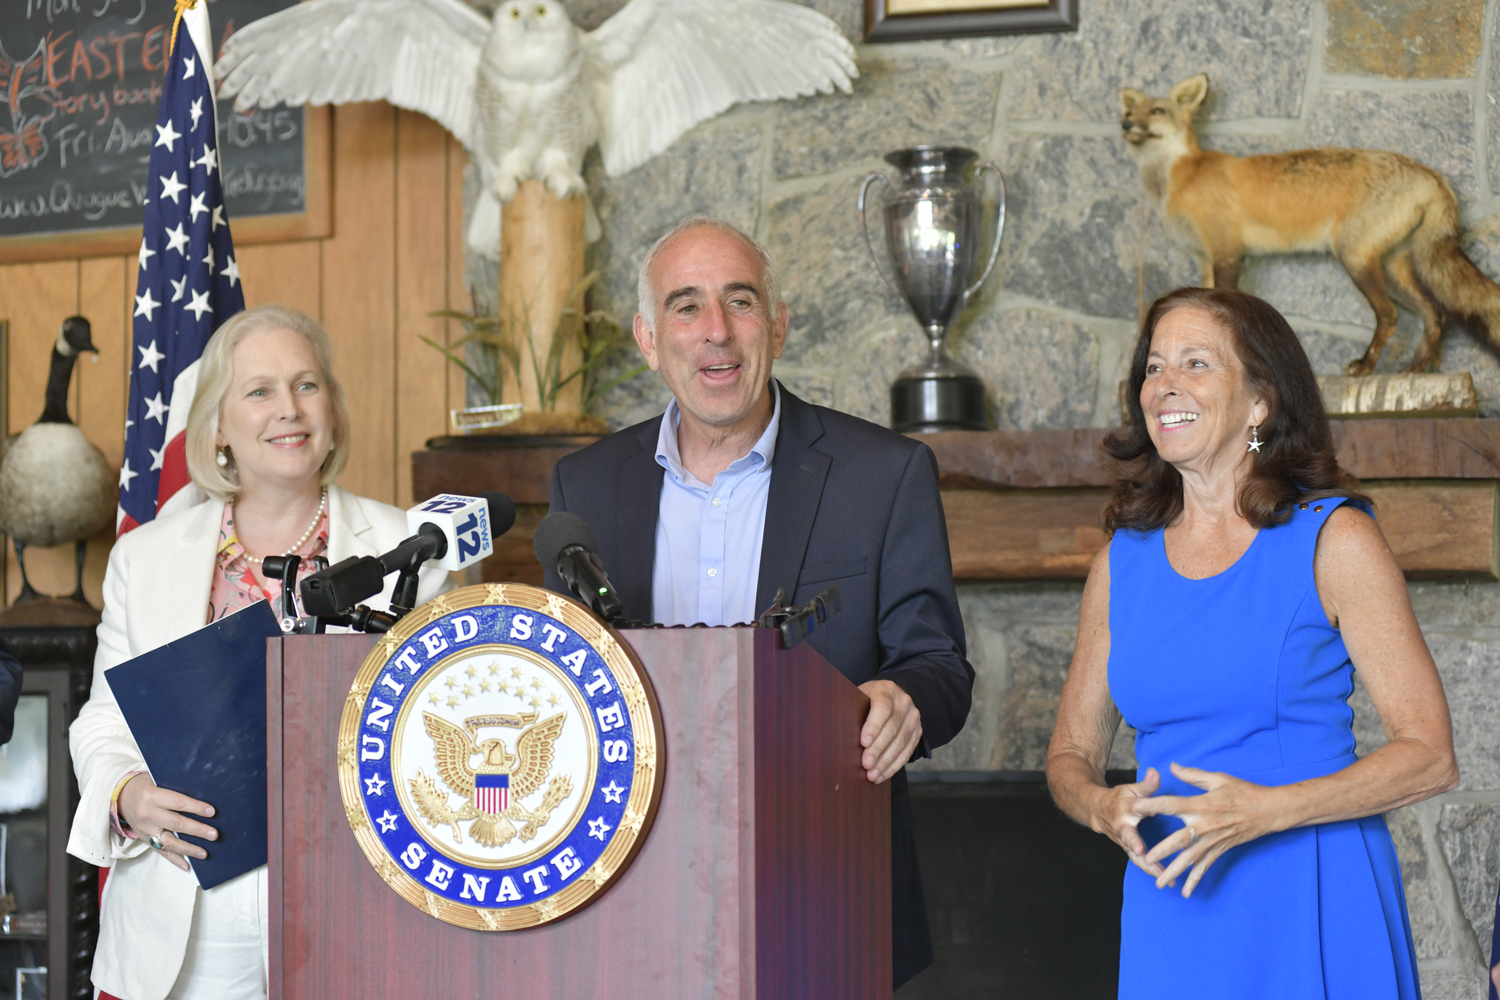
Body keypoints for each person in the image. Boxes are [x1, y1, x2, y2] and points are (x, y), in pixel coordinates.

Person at [543, 216, 974, 988]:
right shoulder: (587, 487)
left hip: (825, 880)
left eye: (739, 303)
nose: (716, 332)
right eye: (686, 306)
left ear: (775, 325)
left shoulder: (885, 473)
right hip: (631, 888)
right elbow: (560, 683)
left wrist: (905, 698)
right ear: (648, 338)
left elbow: (938, 664)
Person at [1046, 287, 1458, 998]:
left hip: (1308, 885)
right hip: (1171, 902)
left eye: (1196, 363)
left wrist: (1267, 810)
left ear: (1260, 401)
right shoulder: (1121, 563)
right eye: (1153, 367)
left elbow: (1430, 756)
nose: (1164, 385)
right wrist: (1099, 807)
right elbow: (1070, 755)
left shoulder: (1335, 538)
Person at [66, 305, 449, 1000]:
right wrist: (129, 795)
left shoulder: (412, 550)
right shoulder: (143, 558)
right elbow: (103, 721)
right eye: (259, 390)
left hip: (354, 901)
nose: (289, 410)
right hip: (187, 901)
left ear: (331, 409)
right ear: (216, 428)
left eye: (306, 385)